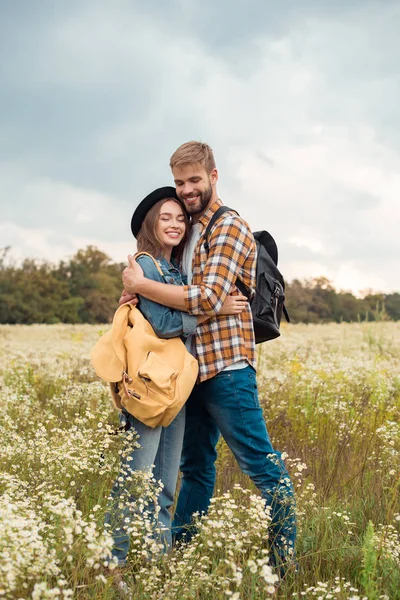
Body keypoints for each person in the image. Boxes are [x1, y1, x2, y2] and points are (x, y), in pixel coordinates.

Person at [121, 142, 297, 571]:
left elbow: (206, 297)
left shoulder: (229, 227)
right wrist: (138, 285)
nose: (186, 190)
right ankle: (180, 557)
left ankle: (284, 561)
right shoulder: (186, 228)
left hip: (227, 369)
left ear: (213, 177)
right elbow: (179, 294)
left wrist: (143, 287)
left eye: (194, 180)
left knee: (261, 464)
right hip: (188, 369)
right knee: (195, 467)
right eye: (180, 183)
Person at [105, 186, 246, 568]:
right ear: (150, 224)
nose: (175, 224)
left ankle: (156, 564)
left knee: (165, 485)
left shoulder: (175, 270)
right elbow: (166, 325)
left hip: (175, 385)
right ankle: (110, 564)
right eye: (165, 217)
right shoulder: (146, 266)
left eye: (180, 218)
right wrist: (214, 311)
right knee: (134, 481)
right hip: (148, 384)